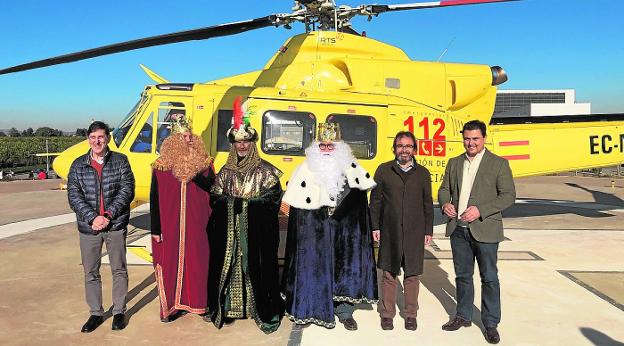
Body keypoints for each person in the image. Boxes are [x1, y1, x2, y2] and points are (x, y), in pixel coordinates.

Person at [282, 122, 377, 330]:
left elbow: (360, 206)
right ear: (316, 147)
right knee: (311, 268)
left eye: (331, 146)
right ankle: (307, 310)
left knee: (345, 270)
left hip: (344, 232)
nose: (326, 150)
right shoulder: (305, 169)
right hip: (314, 233)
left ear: (340, 147)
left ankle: (344, 312)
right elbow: (296, 207)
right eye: (322, 146)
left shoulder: (353, 170)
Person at [209, 97, 284, 333]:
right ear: (233, 145)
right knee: (231, 267)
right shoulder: (225, 171)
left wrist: (246, 207)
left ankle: (258, 308)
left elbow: (272, 199)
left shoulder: (267, 171)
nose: (242, 146)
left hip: (256, 236)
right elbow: (215, 197)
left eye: (247, 142)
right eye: (238, 143)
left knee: (256, 268)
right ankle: (231, 308)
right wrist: (235, 204)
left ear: (253, 143)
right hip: (231, 235)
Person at [438, 120, 516, 344]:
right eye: (467, 138)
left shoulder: (499, 164)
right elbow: (444, 189)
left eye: (475, 139)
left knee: (489, 278)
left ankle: (491, 323)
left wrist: (481, 210)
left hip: (485, 231)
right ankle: (463, 315)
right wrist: (445, 204)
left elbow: (508, 196)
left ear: (484, 138)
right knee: (463, 277)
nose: (470, 143)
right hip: (458, 230)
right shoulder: (454, 163)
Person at [67, 121, 135, 333]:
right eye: (93, 137)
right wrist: (92, 218)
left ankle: (119, 312)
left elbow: (127, 190)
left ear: (107, 139)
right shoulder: (78, 165)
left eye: (101, 137)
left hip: (114, 225)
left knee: (119, 269)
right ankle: (96, 313)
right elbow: (74, 196)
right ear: (88, 139)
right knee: (91, 271)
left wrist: (107, 215)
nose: (97, 141)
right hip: (89, 228)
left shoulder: (121, 161)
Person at [150, 114, 215, 322]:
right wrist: (155, 229)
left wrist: (194, 171)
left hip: (199, 226)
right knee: (171, 264)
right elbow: (154, 198)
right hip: (171, 227)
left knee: (200, 264)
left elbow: (214, 191)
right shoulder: (161, 166)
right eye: (183, 137)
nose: (188, 139)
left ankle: (200, 304)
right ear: (173, 140)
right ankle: (172, 306)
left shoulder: (204, 163)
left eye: (189, 136)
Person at [369, 131, 434, 331]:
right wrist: (375, 226)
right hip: (390, 230)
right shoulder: (383, 170)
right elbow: (376, 202)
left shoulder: (423, 173)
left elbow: (427, 204)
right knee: (389, 272)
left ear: (414, 149)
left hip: (415, 231)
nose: (404, 150)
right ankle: (387, 314)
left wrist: (427, 230)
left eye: (408, 146)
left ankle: (410, 314)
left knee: (412, 274)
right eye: (400, 146)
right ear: (395, 148)